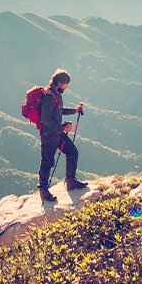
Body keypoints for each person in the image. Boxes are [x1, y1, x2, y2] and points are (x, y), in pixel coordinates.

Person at [38, 69, 87, 202]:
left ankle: (71, 182)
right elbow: (45, 119)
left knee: (72, 152)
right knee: (47, 162)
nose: (67, 87)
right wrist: (62, 127)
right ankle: (43, 191)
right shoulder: (49, 96)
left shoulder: (56, 94)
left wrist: (74, 110)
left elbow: (58, 112)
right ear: (59, 83)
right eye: (66, 84)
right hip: (49, 135)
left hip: (57, 133)